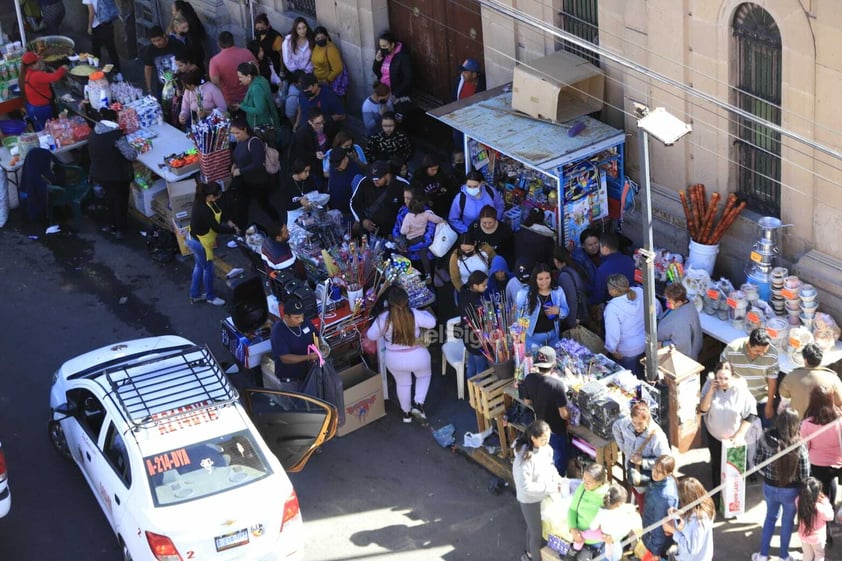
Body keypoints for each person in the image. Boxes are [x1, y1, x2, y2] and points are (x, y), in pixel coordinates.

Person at [366, 286, 436, 423]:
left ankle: (406, 414)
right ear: (406, 300)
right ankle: (419, 403)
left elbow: (371, 335)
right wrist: (425, 314)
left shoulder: (383, 319)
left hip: (394, 358)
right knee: (424, 375)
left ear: (388, 302)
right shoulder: (414, 314)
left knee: (403, 384)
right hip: (418, 355)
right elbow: (432, 323)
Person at [752, 409, 811, 561]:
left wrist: (767, 474)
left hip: (769, 487)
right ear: (795, 424)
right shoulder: (800, 444)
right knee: (787, 522)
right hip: (791, 491)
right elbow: (805, 474)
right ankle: (784, 555)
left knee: (770, 517)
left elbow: (757, 462)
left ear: (778, 421)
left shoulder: (765, 438)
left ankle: (763, 554)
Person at [698, 360, 757, 511]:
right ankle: (717, 497)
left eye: (726, 378)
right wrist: (711, 390)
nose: (723, 382)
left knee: (734, 470)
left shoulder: (741, 390)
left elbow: (750, 414)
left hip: (733, 440)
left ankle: (733, 501)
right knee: (717, 466)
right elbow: (703, 410)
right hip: (715, 436)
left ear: (732, 377)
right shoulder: (710, 385)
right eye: (720, 378)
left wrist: (739, 435)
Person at [512, 420, 565, 561]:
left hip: (543, 494)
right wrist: (550, 488)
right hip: (530, 500)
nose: (547, 441)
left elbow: (550, 465)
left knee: (532, 527)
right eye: (543, 439)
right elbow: (525, 486)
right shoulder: (524, 458)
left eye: (548, 437)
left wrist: (558, 478)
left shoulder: (546, 449)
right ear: (533, 438)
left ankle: (529, 553)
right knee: (536, 533)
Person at [800, 384, 842, 544]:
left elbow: (806, 446)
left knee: (816, 496)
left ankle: (815, 527)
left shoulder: (807, 423)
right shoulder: (839, 420)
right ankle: (829, 525)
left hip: (816, 464)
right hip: (836, 464)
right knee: (830, 495)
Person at [520, 346, 569, 476]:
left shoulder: (529, 378)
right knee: (559, 457)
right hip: (556, 429)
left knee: (544, 455)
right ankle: (558, 479)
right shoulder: (557, 385)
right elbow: (563, 415)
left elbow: (527, 401)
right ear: (553, 365)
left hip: (540, 426)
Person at [612, 401, 670, 511]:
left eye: (640, 424)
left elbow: (665, 461)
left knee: (647, 510)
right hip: (632, 474)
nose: (637, 427)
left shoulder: (657, 436)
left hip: (648, 483)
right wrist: (623, 447)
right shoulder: (625, 423)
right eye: (634, 423)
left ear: (647, 419)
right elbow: (616, 427)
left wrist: (642, 462)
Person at [187, 182, 239, 306]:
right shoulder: (203, 209)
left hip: (193, 239)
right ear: (210, 196)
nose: (218, 198)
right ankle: (210, 296)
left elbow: (219, 212)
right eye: (216, 196)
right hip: (200, 244)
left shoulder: (204, 201)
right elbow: (217, 228)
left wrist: (228, 221)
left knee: (199, 266)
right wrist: (233, 230)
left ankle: (194, 294)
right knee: (208, 270)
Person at [87, 120, 137, 239]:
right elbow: (131, 155)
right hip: (117, 176)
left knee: (108, 199)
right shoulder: (116, 136)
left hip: (99, 174)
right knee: (120, 201)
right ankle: (120, 229)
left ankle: (109, 224)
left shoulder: (94, 132)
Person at [721, 327, 780, 426]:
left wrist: (769, 405)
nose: (762, 354)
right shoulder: (732, 349)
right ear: (749, 344)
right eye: (757, 351)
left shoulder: (772, 354)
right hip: (738, 398)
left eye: (765, 351)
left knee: (766, 430)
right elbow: (722, 371)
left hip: (761, 398)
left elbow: (772, 381)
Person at [230, 117, 282, 228]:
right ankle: (241, 228)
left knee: (264, 203)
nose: (235, 136)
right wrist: (235, 164)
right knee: (243, 205)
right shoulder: (240, 141)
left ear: (244, 129)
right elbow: (238, 156)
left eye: (237, 133)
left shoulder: (254, 142)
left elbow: (258, 163)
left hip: (257, 181)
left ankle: (278, 222)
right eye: (233, 133)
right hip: (245, 181)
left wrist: (240, 171)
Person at [604, 274, 650, 378]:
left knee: (630, 380)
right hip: (644, 342)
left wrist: (612, 350)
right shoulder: (640, 292)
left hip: (627, 350)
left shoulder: (612, 308)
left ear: (613, 291)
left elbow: (613, 333)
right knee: (642, 373)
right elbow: (655, 307)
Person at [779, 343, 842, 419]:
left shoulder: (791, 376)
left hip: (798, 422)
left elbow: (783, 393)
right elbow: (839, 401)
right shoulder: (833, 378)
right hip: (823, 423)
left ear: (805, 360)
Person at [516, 263, 569, 350]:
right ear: (535, 279)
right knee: (536, 362)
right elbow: (519, 317)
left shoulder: (558, 291)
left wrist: (558, 311)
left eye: (547, 278)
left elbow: (566, 311)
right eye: (540, 279)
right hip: (533, 339)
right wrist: (520, 336)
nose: (544, 282)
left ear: (551, 277)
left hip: (553, 336)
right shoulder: (525, 293)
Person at [270, 297, 319, 391]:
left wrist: (321, 346)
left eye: (302, 316)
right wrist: (308, 357)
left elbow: (316, 336)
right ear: (286, 317)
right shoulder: (278, 331)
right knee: (297, 405)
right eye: (297, 317)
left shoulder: (305, 322)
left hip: (308, 374)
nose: (301, 320)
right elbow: (285, 358)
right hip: (291, 381)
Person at [663, 477, 715, 561]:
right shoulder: (706, 505)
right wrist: (680, 514)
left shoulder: (698, 522)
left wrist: (673, 531)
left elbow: (692, 550)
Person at [350, 160, 408, 234]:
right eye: (373, 178)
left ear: (387, 175)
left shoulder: (402, 185)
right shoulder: (366, 181)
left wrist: (397, 231)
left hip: (392, 233)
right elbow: (353, 203)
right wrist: (362, 220)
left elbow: (411, 210)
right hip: (368, 231)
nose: (374, 181)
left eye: (377, 179)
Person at [396, 188, 442, 281]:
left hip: (421, 251)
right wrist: (399, 242)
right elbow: (396, 228)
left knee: (426, 282)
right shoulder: (402, 210)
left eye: (409, 198)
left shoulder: (425, 212)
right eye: (404, 198)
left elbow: (429, 236)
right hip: (410, 254)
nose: (406, 201)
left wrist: (411, 247)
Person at [568, 462, 610, 558]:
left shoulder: (607, 496)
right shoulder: (582, 488)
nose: (585, 483)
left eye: (589, 481)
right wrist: (573, 529)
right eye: (584, 479)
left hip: (597, 543)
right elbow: (572, 510)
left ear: (599, 482)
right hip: (579, 539)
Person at [642, 455, 679, 561]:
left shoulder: (665, 496)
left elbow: (659, 526)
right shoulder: (659, 482)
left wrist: (656, 551)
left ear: (668, 473)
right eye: (654, 468)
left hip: (657, 543)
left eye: (660, 471)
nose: (655, 473)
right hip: (650, 533)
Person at [587, 484, 637, 561]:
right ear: (619, 504)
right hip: (615, 544)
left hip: (603, 540)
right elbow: (628, 527)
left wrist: (600, 526)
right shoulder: (622, 512)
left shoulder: (601, 512)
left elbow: (592, 527)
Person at [451, 58, 486, 165]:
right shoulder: (459, 81)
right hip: (458, 122)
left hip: (475, 125)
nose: (463, 74)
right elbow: (453, 98)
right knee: (459, 145)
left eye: (466, 72)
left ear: (474, 74)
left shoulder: (482, 86)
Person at [372, 31, 413, 120]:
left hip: (396, 95)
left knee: (395, 120)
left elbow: (408, 79)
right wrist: (377, 61)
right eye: (381, 46)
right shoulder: (383, 54)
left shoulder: (402, 57)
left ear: (392, 45)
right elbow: (376, 72)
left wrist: (394, 95)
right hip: (384, 93)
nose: (382, 49)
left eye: (385, 46)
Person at [20, 52, 66, 131]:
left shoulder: (25, 74)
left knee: (41, 130)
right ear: (32, 65)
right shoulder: (36, 75)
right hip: (42, 109)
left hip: (32, 108)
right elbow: (55, 77)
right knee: (49, 130)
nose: (40, 63)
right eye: (38, 62)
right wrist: (63, 68)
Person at [232, 62, 281, 137]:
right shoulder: (260, 79)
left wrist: (242, 106)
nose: (239, 79)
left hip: (262, 127)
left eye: (241, 77)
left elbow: (259, 110)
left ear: (248, 76)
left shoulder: (256, 88)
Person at [657, 282, 703, 360]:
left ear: (679, 302)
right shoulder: (688, 301)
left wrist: (662, 345)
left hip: (680, 358)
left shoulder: (681, 322)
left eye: (669, 302)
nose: (667, 304)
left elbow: (681, 346)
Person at [209, 31, 258, 106]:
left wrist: (223, 103)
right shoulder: (246, 53)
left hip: (228, 101)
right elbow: (257, 72)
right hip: (249, 98)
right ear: (233, 41)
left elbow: (216, 85)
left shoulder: (214, 61)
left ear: (218, 44)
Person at [458, 271, 490, 379]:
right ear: (475, 285)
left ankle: (471, 390)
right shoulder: (474, 300)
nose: (486, 287)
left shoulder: (464, 293)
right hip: (476, 339)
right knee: (482, 370)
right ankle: (479, 393)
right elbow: (478, 321)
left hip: (468, 338)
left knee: (471, 365)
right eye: (484, 285)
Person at [282, 17, 315, 122]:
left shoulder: (311, 40)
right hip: (294, 76)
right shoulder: (288, 41)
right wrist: (298, 74)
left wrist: (306, 72)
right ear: (295, 30)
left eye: (304, 27)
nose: (302, 31)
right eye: (299, 28)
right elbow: (287, 60)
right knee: (286, 99)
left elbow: (312, 59)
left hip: (307, 74)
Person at [590, 231, 635, 306]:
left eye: (600, 246)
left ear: (605, 249)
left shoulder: (602, 270)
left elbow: (598, 297)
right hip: (632, 298)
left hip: (615, 304)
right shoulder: (628, 260)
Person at [296, 73, 346, 138]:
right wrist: (297, 122)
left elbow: (342, 115)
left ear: (315, 85)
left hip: (321, 134)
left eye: (309, 91)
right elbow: (300, 106)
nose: (306, 94)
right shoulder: (302, 94)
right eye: (304, 91)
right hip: (304, 130)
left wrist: (322, 121)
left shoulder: (329, 96)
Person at [553, 246, 590, 332]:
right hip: (583, 312)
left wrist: (571, 321)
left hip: (576, 317)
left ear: (556, 261)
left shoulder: (564, 275)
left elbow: (572, 299)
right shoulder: (576, 267)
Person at [144, 26, 187, 101]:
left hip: (179, 85)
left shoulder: (176, 45)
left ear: (164, 35)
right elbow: (148, 68)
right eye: (154, 41)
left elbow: (186, 64)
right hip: (162, 87)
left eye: (158, 40)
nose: (157, 43)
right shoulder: (150, 50)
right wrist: (149, 89)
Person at [797, 477, 834, 561]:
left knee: (807, 555)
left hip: (803, 535)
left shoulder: (798, 501)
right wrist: (825, 501)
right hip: (817, 538)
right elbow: (830, 516)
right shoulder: (820, 508)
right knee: (819, 555)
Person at [291, 107, 330, 184]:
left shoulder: (327, 124)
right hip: (313, 167)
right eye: (317, 123)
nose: (321, 125)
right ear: (310, 122)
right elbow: (300, 154)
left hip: (326, 161)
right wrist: (314, 155)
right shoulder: (302, 134)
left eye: (322, 122)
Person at [84, 0, 121, 74]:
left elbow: (92, 12)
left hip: (97, 25)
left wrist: (89, 26)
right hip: (108, 22)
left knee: (95, 48)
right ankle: (117, 70)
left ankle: (96, 67)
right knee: (111, 48)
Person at [327, 144, 364, 217]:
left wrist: (358, 218)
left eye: (339, 166)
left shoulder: (356, 175)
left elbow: (359, 200)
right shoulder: (334, 166)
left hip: (349, 214)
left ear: (346, 159)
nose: (337, 168)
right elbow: (330, 183)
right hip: (334, 211)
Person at [514, 208, 555, 272]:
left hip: (521, 269)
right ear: (543, 219)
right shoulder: (547, 239)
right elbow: (551, 262)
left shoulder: (520, 233)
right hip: (539, 273)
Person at [311, 26, 346, 96]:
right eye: (318, 38)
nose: (320, 40)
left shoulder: (330, 49)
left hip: (327, 84)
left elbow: (338, 68)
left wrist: (327, 80)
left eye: (322, 37)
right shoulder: (316, 47)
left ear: (327, 37)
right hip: (318, 81)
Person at [254, 13, 284, 83]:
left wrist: (282, 71)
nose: (260, 30)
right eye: (258, 28)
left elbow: (282, 55)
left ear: (268, 26)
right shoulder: (258, 34)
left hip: (275, 69)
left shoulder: (276, 38)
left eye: (262, 28)